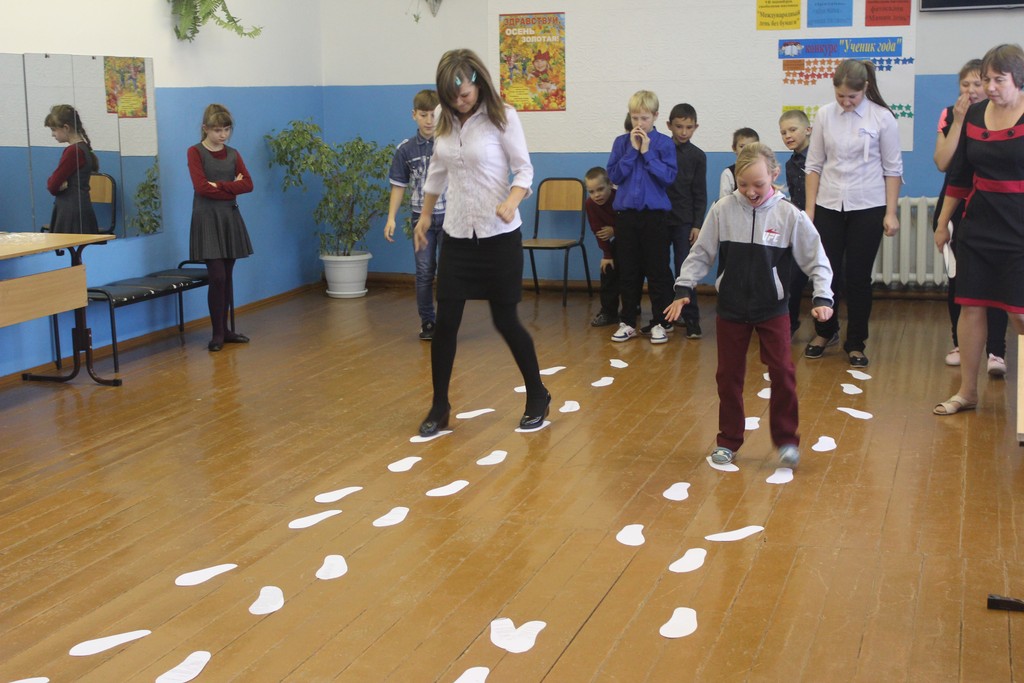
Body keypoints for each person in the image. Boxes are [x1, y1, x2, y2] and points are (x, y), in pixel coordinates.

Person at [666, 143, 833, 468]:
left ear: (774, 174)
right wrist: (684, 286)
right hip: (731, 309)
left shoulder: (789, 215)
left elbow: (817, 259)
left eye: (758, 184)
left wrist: (822, 296)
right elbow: (701, 253)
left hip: (772, 309)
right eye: (743, 184)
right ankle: (728, 440)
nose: (751, 191)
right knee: (728, 376)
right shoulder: (723, 210)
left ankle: (786, 440)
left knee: (783, 372)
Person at [413, 49, 548, 435]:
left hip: (499, 236)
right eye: (451, 96)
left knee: (505, 320)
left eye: (465, 94)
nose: (459, 102)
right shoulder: (444, 118)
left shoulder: (502, 116)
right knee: (445, 323)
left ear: (478, 83)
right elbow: (438, 170)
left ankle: (537, 394)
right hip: (457, 235)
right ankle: (440, 406)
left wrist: (512, 200)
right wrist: (425, 215)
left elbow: (524, 169)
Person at [934, 44, 1024, 416]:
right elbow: (959, 175)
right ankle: (967, 393)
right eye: (986, 79)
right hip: (978, 226)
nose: (989, 87)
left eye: (998, 80)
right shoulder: (973, 114)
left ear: (1018, 80)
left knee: (1020, 315)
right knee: (970, 308)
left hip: (1019, 229)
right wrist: (943, 223)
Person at [803, 59, 903, 367]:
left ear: (865, 88)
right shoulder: (824, 115)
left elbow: (893, 169)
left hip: (868, 206)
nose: (845, 102)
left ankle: (856, 342)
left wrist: (891, 213)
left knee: (858, 277)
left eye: (852, 97)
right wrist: (809, 211)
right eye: (840, 96)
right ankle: (825, 332)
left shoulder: (882, 118)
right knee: (826, 272)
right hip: (828, 204)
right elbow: (813, 165)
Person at [932, 59, 1009, 376]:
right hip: (955, 202)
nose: (973, 90)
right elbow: (943, 162)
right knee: (961, 281)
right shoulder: (951, 114)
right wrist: (960, 121)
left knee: (998, 284)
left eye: (979, 83)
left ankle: (996, 351)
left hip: (995, 208)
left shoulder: (1004, 115)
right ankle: (960, 344)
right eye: (966, 84)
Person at [606, 90, 678, 345]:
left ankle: (660, 322)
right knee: (628, 270)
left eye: (644, 118)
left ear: (655, 116)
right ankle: (627, 322)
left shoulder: (665, 144)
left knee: (658, 271)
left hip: (654, 217)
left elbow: (668, 178)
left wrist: (647, 153)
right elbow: (614, 176)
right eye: (635, 118)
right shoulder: (621, 143)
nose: (639, 123)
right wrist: (632, 151)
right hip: (626, 217)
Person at [187, 103, 254, 352]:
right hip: (207, 219)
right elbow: (201, 187)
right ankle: (217, 333)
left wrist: (220, 186)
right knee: (217, 277)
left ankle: (226, 330)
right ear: (205, 128)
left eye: (226, 129)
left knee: (226, 276)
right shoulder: (195, 152)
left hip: (229, 218)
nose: (223, 135)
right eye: (217, 130)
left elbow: (248, 184)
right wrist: (231, 186)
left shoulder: (234, 154)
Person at [384, 89, 446, 341]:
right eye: (423, 115)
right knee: (424, 271)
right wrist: (391, 217)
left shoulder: (449, 144)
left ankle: (448, 321)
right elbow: (398, 186)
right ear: (414, 115)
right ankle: (428, 322)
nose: (429, 120)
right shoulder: (405, 150)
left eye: (433, 115)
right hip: (421, 219)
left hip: (450, 217)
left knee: (449, 272)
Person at [665, 103, 708, 339]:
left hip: (685, 222)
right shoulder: (660, 150)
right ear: (669, 125)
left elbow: (700, 193)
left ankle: (692, 319)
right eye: (679, 126)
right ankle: (665, 318)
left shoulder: (698, 156)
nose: (683, 132)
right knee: (660, 269)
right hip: (660, 219)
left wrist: (697, 224)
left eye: (688, 127)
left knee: (685, 269)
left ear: (696, 127)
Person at [779, 109, 813, 335]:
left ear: (808, 130)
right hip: (800, 226)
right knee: (792, 278)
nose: (788, 136)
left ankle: (828, 329)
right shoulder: (790, 164)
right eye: (783, 132)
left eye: (792, 130)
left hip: (823, 223)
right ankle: (789, 324)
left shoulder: (819, 158)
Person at [44, 104, 99, 234]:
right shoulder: (83, 148)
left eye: (54, 130)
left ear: (66, 128)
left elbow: (52, 185)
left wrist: (56, 184)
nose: (52, 134)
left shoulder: (73, 152)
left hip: (71, 212)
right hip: (79, 208)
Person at [584, 167, 622, 327]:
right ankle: (608, 312)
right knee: (607, 269)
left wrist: (615, 230)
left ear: (610, 185)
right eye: (591, 192)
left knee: (630, 270)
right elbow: (598, 231)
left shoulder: (620, 197)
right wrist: (607, 255)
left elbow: (631, 224)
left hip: (634, 239)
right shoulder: (590, 204)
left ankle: (633, 306)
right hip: (617, 241)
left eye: (600, 189)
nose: (596, 195)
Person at [719, 127, 759, 199]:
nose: (746, 150)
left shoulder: (763, 171)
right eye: (742, 146)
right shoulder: (728, 173)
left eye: (751, 146)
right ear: (734, 148)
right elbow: (723, 201)